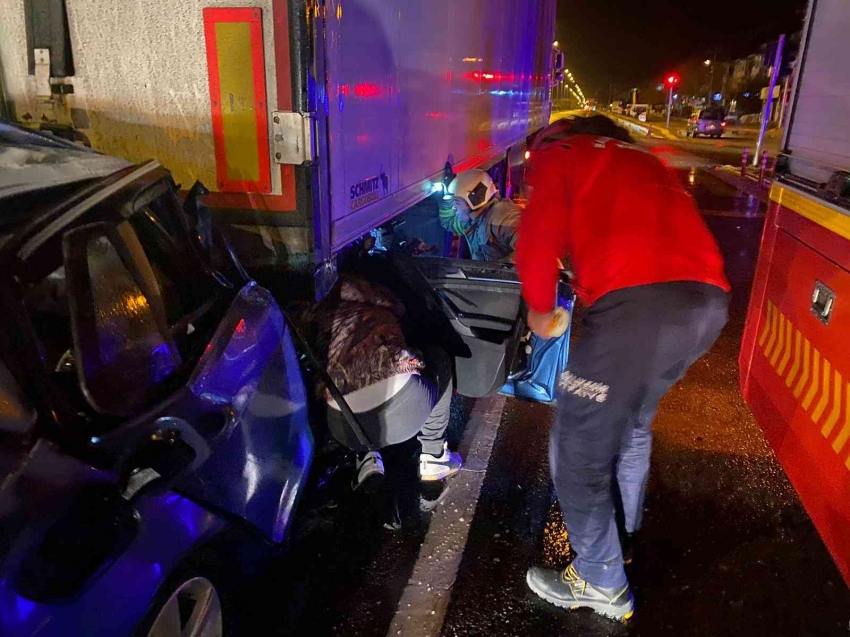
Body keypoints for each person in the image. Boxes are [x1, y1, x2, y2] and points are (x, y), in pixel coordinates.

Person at [516, 116, 730, 621]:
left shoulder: (561, 153)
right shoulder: (645, 160)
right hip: (707, 304)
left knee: (577, 443)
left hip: (635, 309)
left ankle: (599, 578)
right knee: (632, 423)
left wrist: (541, 310)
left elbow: (538, 238)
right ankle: (621, 541)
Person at [438, 169, 521, 262]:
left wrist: (496, 268)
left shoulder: (504, 216)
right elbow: (449, 221)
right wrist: (448, 195)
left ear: (473, 201)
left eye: (457, 202)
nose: (453, 208)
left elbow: (534, 250)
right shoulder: (474, 220)